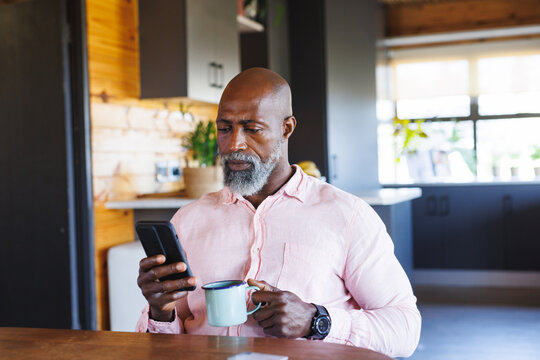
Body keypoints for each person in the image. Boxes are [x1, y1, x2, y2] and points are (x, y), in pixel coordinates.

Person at [136, 68, 421, 358]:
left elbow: (405, 329)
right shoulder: (188, 220)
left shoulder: (348, 216)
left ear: (287, 128)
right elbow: (165, 343)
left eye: (252, 129)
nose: (234, 144)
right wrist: (160, 311)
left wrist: (316, 320)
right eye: (225, 128)